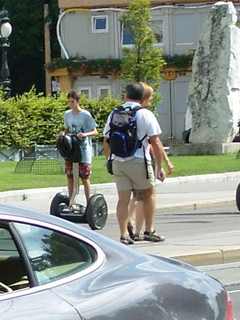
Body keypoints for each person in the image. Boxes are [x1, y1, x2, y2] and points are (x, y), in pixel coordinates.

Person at [105, 81, 170, 244]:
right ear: (142, 98)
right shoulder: (145, 114)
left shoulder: (114, 113)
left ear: (126, 96)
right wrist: (159, 166)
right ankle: (149, 230)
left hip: (118, 161)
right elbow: (155, 142)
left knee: (123, 199)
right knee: (149, 193)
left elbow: (106, 139)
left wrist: (109, 160)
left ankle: (124, 234)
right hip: (139, 159)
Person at [60, 90, 98, 209]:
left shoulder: (85, 115)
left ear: (78, 101)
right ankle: (72, 203)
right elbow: (66, 129)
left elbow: (95, 131)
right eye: (69, 102)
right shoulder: (67, 114)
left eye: (73, 101)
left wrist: (85, 134)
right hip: (72, 149)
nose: (71, 104)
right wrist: (63, 133)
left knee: (84, 177)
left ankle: (89, 204)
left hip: (83, 150)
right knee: (70, 176)